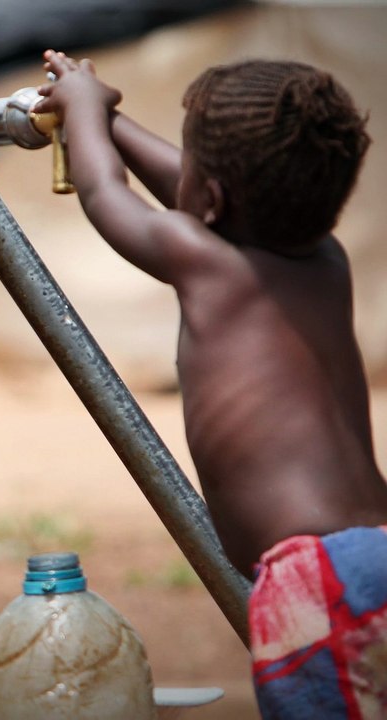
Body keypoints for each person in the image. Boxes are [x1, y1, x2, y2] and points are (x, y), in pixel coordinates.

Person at [36, 49, 385, 717]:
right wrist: (108, 114)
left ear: (213, 199)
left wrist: (82, 112)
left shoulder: (204, 264)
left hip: (315, 578)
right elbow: (200, 189)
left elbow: (106, 193)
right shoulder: (327, 262)